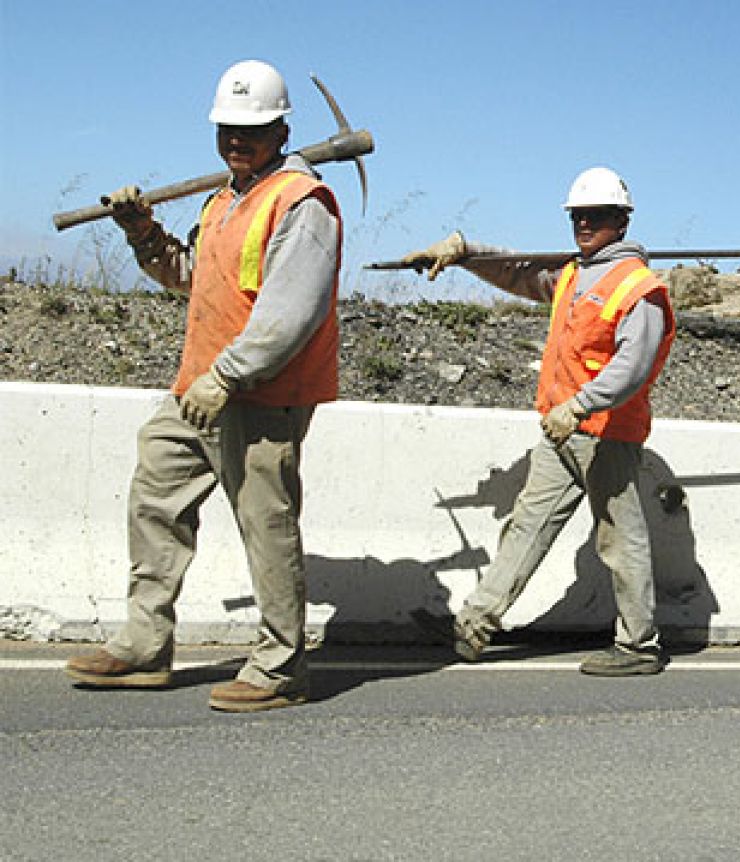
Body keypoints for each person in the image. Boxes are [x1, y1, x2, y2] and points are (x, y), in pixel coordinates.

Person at [64, 60, 343, 712]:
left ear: (281, 128)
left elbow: (290, 312)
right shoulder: (225, 200)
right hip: (199, 386)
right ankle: (143, 644)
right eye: (227, 130)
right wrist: (143, 233)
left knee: (265, 525)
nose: (235, 141)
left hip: (260, 392)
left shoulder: (302, 203)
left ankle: (279, 668)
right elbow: (192, 277)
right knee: (155, 498)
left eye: (251, 130)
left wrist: (228, 375)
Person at [402, 166, 676, 675]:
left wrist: (580, 405)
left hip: (604, 431)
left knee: (620, 538)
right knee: (526, 526)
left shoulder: (639, 288)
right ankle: (475, 624)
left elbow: (632, 365)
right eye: (578, 215)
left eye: (595, 216)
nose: (584, 224)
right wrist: (464, 252)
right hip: (561, 431)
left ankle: (639, 646)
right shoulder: (573, 273)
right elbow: (515, 271)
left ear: (621, 219)